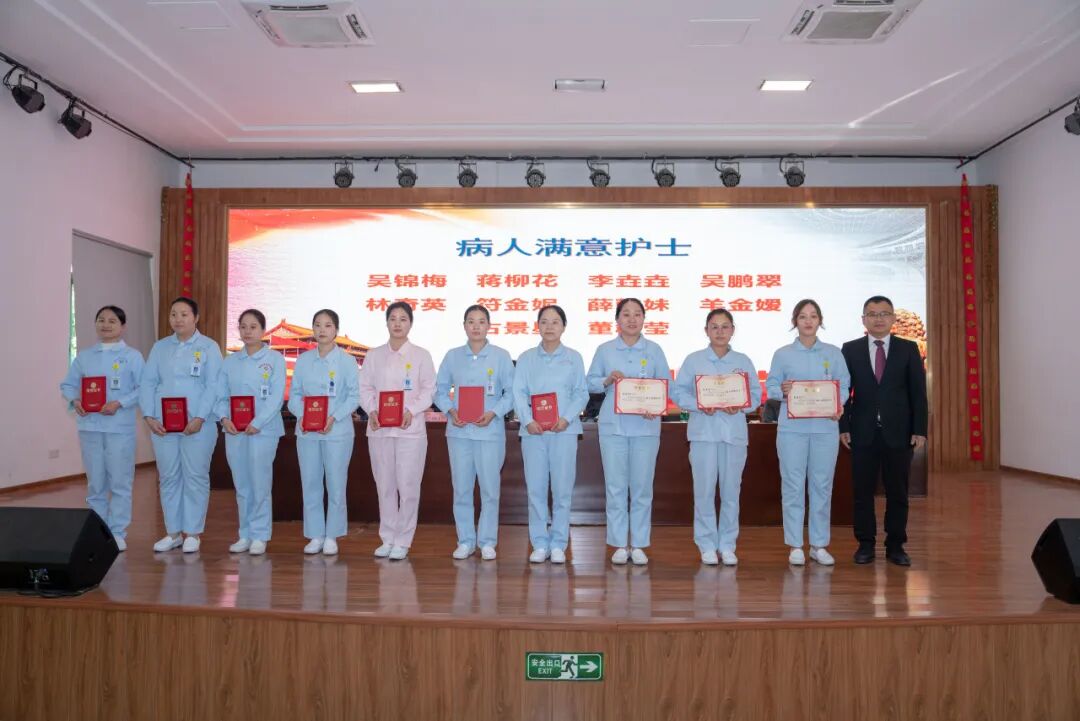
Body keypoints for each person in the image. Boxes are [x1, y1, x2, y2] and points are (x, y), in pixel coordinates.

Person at [840, 295, 928, 566]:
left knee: (898, 493)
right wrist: (844, 426)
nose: (878, 319)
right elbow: (843, 393)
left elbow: (918, 393)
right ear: (863, 319)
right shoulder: (850, 349)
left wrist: (920, 429)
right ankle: (865, 544)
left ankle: (896, 546)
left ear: (893, 318)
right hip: (862, 432)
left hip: (899, 433)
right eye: (872, 314)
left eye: (884, 313)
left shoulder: (908, 348)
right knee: (862, 493)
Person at [671, 309, 761, 566]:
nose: (720, 331)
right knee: (704, 491)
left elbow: (755, 395)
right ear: (706, 330)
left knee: (732, 492)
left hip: (734, 435)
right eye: (714, 327)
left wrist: (741, 405)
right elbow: (678, 393)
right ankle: (707, 544)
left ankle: (728, 544)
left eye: (725, 326)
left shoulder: (743, 361)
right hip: (703, 434)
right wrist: (700, 404)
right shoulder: (694, 360)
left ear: (733, 330)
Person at [765, 299, 850, 567]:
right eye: (803, 316)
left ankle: (819, 545)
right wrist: (783, 390)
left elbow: (844, 386)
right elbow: (771, 386)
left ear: (820, 321)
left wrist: (838, 404)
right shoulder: (783, 354)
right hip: (792, 430)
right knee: (792, 485)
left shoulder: (833, 354)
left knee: (822, 485)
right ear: (795, 322)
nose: (808, 321)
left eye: (813, 316)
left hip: (825, 428)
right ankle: (795, 545)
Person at [586, 298, 670, 566]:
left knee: (642, 488)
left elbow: (665, 384)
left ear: (644, 319)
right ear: (617, 320)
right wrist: (606, 379)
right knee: (616, 487)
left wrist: (656, 405)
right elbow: (590, 383)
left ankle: (640, 543)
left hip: (646, 427)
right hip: (614, 428)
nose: (632, 319)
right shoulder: (605, 350)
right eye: (626, 314)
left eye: (637, 314)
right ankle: (620, 544)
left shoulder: (654, 350)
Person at [140, 297, 222, 553]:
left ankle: (193, 533)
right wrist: (149, 416)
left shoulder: (209, 347)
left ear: (196, 318)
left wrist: (199, 417)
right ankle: (173, 532)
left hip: (198, 424)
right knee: (168, 477)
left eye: (184, 314)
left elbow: (214, 385)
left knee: (195, 476)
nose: (178, 319)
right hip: (163, 425)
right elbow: (148, 382)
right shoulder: (160, 347)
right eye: (173, 314)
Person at [60, 305, 145, 551]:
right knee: (95, 483)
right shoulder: (84, 357)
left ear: (123, 326)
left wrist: (120, 403)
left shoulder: (132, 356)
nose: (105, 325)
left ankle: (117, 532)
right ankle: (98, 532)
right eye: (101, 320)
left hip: (119, 428)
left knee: (120, 482)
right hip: (90, 427)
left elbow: (143, 388)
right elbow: (68, 385)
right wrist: (76, 400)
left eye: (112, 321)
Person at [434, 305, 515, 560]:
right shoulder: (452, 356)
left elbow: (511, 393)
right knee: (462, 489)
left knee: (490, 490)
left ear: (489, 325)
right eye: (471, 321)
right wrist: (450, 410)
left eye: (481, 321)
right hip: (459, 433)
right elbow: (439, 390)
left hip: (489, 432)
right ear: (464, 326)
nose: (476, 326)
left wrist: (494, 412)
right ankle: (465, 541)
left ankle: (487, 541)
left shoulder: (501, 356)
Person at [359, 302, 436, 561]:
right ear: (386, 322)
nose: (398, 323)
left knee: (409, 486)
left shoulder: (421, 355)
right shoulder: (374, 355)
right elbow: (365, 388)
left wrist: (411, 410)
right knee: (385, 486)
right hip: (380, 430)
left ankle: (403, 540)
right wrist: (372, 410)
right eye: (393, 318)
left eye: (403, 319)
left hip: (409, 431)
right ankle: (387, 537)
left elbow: (429, 390)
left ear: (410, 323)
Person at [512, 305, 589, 564]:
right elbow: (518, 392)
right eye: (544, 321)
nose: (549, 327)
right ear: (538, 326)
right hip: (533, 433)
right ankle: (539, 542)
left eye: (555, 322)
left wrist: (566, 418)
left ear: (564, 327)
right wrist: (528, 420)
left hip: (564, 432)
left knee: (562, 490)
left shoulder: (574, 357)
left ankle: (558, 543)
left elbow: (581, 393)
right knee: (535, 489)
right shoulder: (526, 358)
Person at [287, 308, 360, 556]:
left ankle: (332, 535)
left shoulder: (347, 362)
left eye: (328, 325)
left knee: (336, 483)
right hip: (307, 432)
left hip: (337, 432)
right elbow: (295, 395)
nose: (322, 330)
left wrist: (334, 417)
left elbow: (354, 396)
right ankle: (315, 534)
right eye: (317, 325)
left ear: (336, 330)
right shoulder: (304, 361)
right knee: (310, 482)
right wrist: (303, 415)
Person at [215, 309, 286, 556]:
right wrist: (224, 418)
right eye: (243, 326)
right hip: (234, 431)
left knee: (260, 483)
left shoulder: (274, 359)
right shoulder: (230, 361)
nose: (247, 331)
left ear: (263, 330)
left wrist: (258, 422)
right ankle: (244, 533)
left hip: (263, 431)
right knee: (242, 484)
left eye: (253, 327)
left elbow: (276, 397)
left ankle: (260, 535)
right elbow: (220, 394)